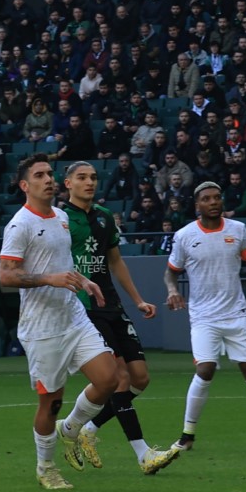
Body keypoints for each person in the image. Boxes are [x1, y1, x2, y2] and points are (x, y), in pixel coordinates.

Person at [0, 154, 123, 490]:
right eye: (40, 175)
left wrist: (83, 281)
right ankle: (46, 467)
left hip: (73, 317)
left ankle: (71, 428)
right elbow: (6, 276)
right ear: (25, 185)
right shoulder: (19, 225)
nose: (48, 179)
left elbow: (64, 264)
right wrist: (48, 279)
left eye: (50, 173)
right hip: (42, 327)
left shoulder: (63, 217)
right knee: (50, 402)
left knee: (110, 377)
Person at [61, 161, 181, 473]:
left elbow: (116, 262)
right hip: (83, 308)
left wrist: (138, 300)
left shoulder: (103, 217)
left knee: (140, 378)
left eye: (93, 177)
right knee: (120, 378)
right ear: (68, 183)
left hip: (111, 304)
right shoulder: (61, 219)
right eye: (82, 178)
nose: (89, 183)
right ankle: (144, 455)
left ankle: (87, 428)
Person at [165, 180, 246, 451]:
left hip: (237, 314)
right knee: (205, 369)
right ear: (197, 205)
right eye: (207, 198)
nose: (214, 202)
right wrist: (172, 290)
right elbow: (171, 270)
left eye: (217, 197)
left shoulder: (238, 230)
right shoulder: (184, 235)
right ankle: (187, 435)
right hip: (203, 317)